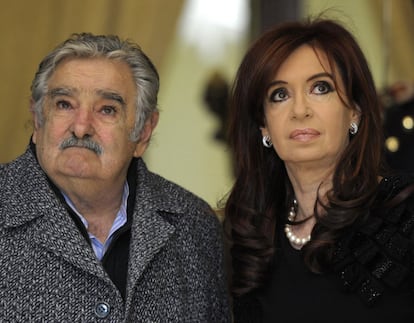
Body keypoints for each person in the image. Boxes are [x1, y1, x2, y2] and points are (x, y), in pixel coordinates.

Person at [0, 33, 230, 322]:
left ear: (144, 131)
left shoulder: (194, 224)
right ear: (37, 118)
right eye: (64, 104)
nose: (81, 127)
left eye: (107, 110)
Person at [223, 18, 414, 322]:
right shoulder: (248, 239)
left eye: (320, 88)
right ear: (264, 126)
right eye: (279, 95)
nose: (300, 110)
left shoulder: (404, 212)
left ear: (355, 110)